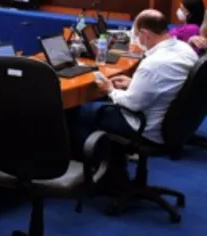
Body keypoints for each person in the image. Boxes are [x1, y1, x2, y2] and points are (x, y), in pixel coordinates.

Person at [71, 10, 197, 149]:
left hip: (144, 128)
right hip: (171, 122)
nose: (136, 39)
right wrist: (133, 83)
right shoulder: (184, 49)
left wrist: (110, 89)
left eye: (136, 35)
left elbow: (132, 104)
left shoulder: (153, 64)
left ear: (145, 34)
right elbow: (164, 84)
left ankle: (94, 160)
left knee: (80, 113)